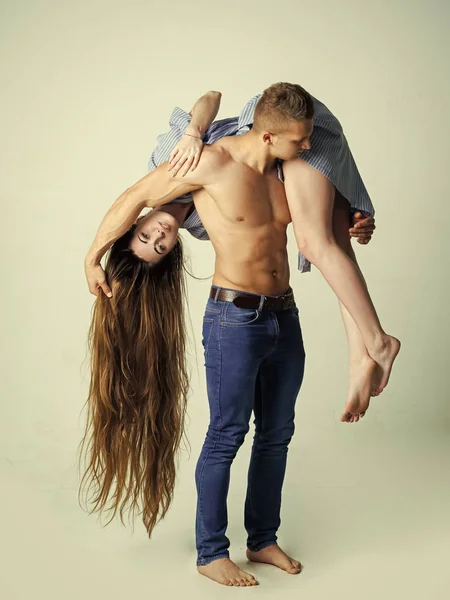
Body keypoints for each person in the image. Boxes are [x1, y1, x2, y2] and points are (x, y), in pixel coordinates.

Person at [81, 83, 400, 587]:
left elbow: (321, 229)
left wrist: (355, 221)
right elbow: (137, 195)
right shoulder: (208, 163)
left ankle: (262, 539)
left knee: (277, 435)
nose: (307, 147)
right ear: (271, 134)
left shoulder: (286, 170)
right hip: (234, 319)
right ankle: (211, 551)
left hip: (284, 316)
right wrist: (92, 255)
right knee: (228, 435)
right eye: (299, 140)